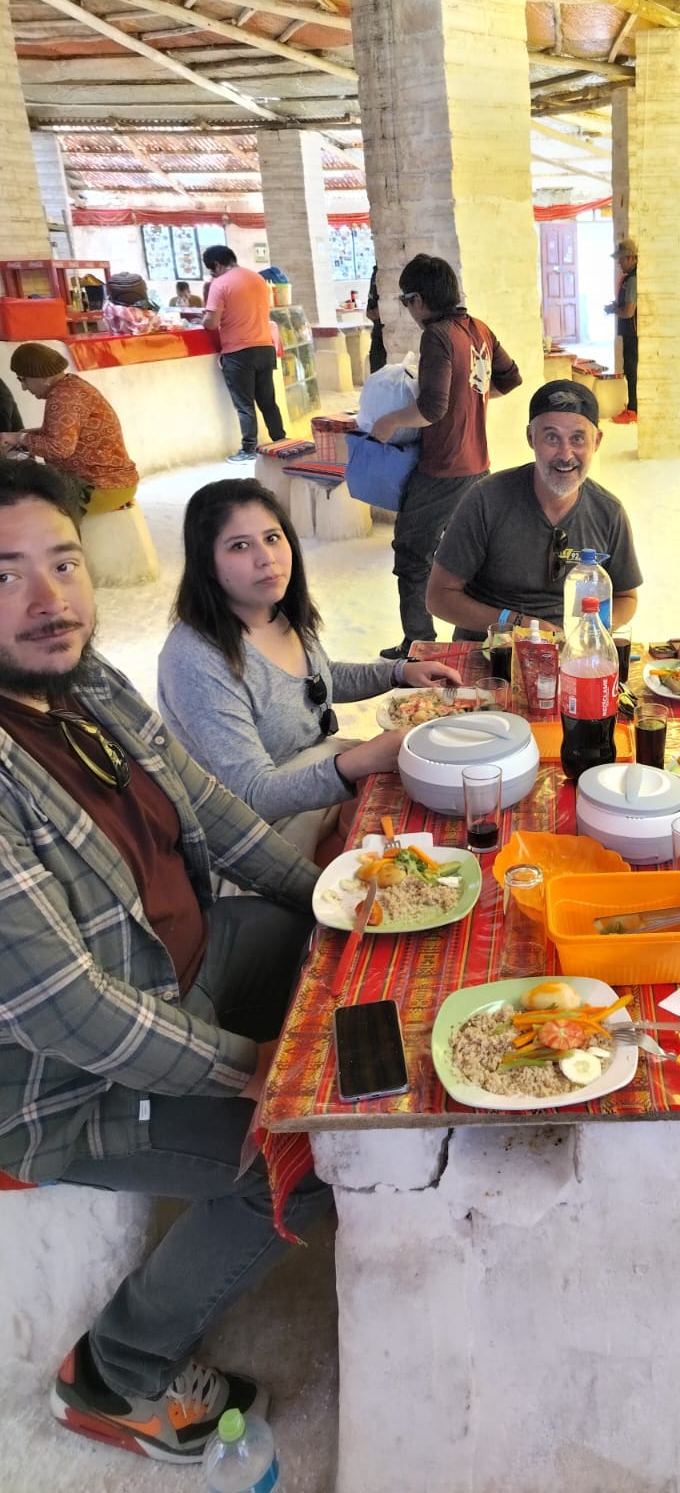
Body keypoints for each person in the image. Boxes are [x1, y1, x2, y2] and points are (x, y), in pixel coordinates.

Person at [0, 460, 329, 1461]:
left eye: (64, 560)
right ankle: (115, 1373)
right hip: (67, 1083)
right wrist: (252, 1068)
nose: (51, 597)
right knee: (304, 1160)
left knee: (317, 949)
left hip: (178, 968)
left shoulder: (86, 682)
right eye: (5, 574)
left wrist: (333, 900)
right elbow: (77, 1016)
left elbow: (214, 810)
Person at [158, 480, 459, 859]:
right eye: (239, 545)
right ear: (206, 562)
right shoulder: (197, 660)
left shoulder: (272, 609)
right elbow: (254, 795)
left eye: (272, 537)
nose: (265, 558)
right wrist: (357, 761)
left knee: (431, 804)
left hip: (313, 790)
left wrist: (398, 673)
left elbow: (319, 676)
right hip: (254, 840)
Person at [373, 253, 521, 660]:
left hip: (443, 467)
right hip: (478, 466)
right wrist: (473, 399)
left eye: (406, 301)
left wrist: (388, 422)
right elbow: (510, 378)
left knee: (412, 551)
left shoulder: (437, 334)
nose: (408, 311)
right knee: (466, 554)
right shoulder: (479, 329)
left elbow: (431, 408)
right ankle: (469, 642)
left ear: (420, 298)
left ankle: (418, 644)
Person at [427, 379, 642, 638]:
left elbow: (626, 596)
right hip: (492, 655)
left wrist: (589, 630)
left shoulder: (608, 512)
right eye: (551, 437)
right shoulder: (486, 500)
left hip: (570, 654)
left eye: (578, 438)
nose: (566, 454)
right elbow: (439, 596)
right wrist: (516, 623)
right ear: (531, 437)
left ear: (597, 441)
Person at [3, 343, 138, 516]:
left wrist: (19, 439)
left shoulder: (63, 398)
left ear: (42, 377)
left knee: (34, 514)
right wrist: (21, 435)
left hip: (101, 486)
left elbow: (60, 448)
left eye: (23, 379)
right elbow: (61, 434)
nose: (24, 387)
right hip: (109, 482)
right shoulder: (69, 387)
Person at [201, 244, 286, 465]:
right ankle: (280, 439)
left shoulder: (219, 284)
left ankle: (249, 448)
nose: (213, 274)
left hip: (239, 352)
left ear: (217, 265)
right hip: (265, 347)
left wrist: (203, 317)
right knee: (268, 400)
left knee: (244, 405)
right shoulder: (257, 279)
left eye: (212, 270)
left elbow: (211, 323)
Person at [605, 237, 638, 425]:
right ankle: (632, 407)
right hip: (629, 333)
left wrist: (613, 310)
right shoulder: (629, 278)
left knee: (632, 372)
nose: (619, 262)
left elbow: (628, 312)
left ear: (632, 258)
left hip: (633, 334)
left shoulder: (633, 280)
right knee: (629, 371)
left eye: (622, 259)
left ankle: (633, 411)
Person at [101, 272, 165, 337]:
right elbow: (159, 320)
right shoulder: (148, 306)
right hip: (147, 342)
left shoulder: (108, 308)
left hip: (120, 343)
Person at [366, 263, 387, 374]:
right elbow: (370, 312)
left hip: (389, 332)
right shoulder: (376, 272)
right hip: (378, 333)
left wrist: (383, 310)